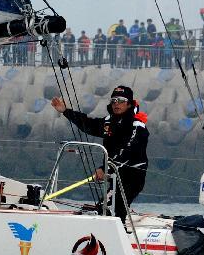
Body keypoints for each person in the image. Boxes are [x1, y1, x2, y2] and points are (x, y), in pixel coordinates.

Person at [51, 85, 149, 222]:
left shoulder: (137, 126)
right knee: (104, 208)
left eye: (121, 100)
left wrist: (105, 168)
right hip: (115, 174)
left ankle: (119, 234)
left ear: (129, 104)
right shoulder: (109, 122)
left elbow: (129, 151)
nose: (116, 104)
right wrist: (65, 111)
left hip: (132, 175)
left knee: (112, 209)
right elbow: (88, 124)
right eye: (114, 100)